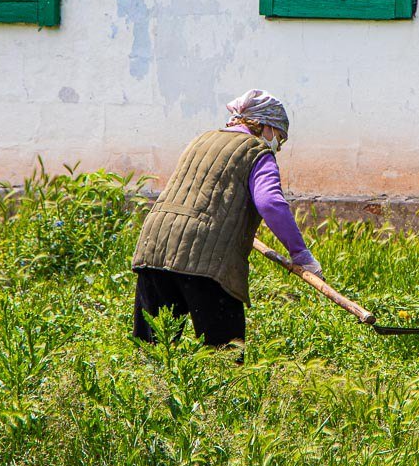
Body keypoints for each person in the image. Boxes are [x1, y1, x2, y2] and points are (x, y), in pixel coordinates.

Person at [131, 89, 323, 347]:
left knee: (152, 349)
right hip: (206, 259)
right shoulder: (257, 152)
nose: (278, 144)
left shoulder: (201, 140)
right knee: (224, 354)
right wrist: (301, 255)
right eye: (279, 136)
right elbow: (271, 203)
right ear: (265, 127)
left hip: (153, 248)